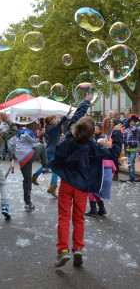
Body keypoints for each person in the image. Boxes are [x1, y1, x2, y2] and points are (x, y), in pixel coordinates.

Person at [48, 95, 123, 268]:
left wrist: (85, 102)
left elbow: (75, 118)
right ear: (92, 134)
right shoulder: (94, 147)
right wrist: (117, 134)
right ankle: (78, 248)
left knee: (64, 217)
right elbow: (113, 155)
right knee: (79, 218)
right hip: (82, 187)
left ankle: (63, 251)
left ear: (75, 128)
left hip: (67, 184)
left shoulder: (68, 137)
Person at [32, 107, 73, 197]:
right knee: (56, 168)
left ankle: (35, 176)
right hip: (53, 151)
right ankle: (52, 186)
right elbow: (60, 123)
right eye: (54, 119)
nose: (56, 120)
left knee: (48, 166)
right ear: (50, 121)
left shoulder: (50, 128)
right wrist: (67, 114)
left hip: (51, 150)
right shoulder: (51, 128)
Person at [8, 121, 48, 211]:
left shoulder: (18, 131)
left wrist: (13, 153)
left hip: (21, 159)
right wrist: (40, 135)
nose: (37, 130)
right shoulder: (29, 132)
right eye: (37, 128)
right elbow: (33, 141)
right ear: (33, 126)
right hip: (28, 155)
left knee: (27, 180)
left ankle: (27, 203)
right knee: (41, 146)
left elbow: (11, 143)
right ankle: (45, 166)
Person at [85, 138, 116, 216]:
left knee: (90, 190)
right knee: (95, 192)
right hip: (108, 179)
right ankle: (102, 209)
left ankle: (93, 210)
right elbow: (114, 169)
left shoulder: (98, 157)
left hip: (100, 178)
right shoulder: (109, 156)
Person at [120, 113, 140, 183]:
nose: (132, 122)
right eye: (131, 121)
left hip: (133, 149)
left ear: (135, 122)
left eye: (134, 121)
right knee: (129, 163)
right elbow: (124, 139)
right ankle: (131, 178)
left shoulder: (136, 129)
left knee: (131, 163)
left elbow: (134, 130)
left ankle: (132, 179)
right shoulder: (126, 130)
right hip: (127, 149)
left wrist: (136, 125)